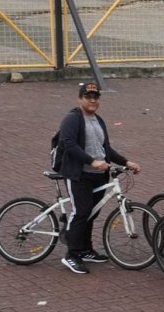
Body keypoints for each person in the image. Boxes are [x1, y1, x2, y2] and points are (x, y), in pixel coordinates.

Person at [56, 82, 143, 274]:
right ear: (80, 99)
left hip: (98, 175)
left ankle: (86, 249)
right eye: (88, 97)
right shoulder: (73, 119)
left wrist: (126, 162)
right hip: (79, 174)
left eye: (96, 97)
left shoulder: (98, 120)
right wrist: (91, 161)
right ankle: (71, 255)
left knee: (92, 212)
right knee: (81, 211)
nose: (93, 100)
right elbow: (68, 143)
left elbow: (106, 149)